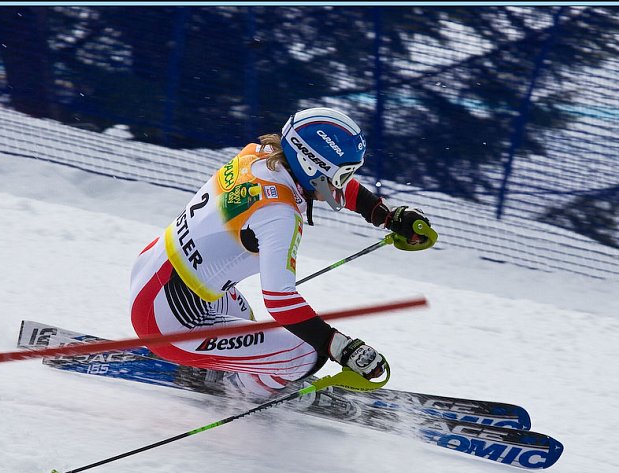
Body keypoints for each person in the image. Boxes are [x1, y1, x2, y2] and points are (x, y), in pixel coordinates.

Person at [129, 107, 436, 400]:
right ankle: (241, 394)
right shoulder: (280, 215)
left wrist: (384, 214)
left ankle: (231, 369)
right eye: (341, 175)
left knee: (250, 324)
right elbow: (280, 300)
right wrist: (341, 347)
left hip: (156, 270)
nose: (342, 184)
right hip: (167, 320)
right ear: (311, 166)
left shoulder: (260, 155)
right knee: (304, 353)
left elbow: (328, 185)